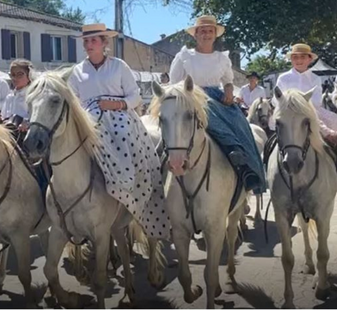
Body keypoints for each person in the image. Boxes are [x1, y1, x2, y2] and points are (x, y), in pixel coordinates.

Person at [68, 23, 168, 239]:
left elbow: (135, 97)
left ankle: (129, 186)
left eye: (94, 40)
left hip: (119, 116)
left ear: (105, 43)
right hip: (89, 118)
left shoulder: (119, 66)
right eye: (86, 41)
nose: (89, 44)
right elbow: (73, 100)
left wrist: (116, 104)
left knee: (124, 139)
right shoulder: (77, 71)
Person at [170, 15, 266, 195]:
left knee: (241, 123)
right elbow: (174, 83)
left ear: (215, 35)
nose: (206, 34)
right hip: (190, 97)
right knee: (169, 126)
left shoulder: (222, 58)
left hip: (216, 96)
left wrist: (229, 91)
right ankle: (160, 165)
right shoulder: (184, 56)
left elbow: (228, 80)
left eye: (210, 31)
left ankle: (246, 167)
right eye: (202, 31)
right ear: (195, 34)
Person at [271, 43, 337, 172]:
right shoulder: (283, 78)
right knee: (276, 129)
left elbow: (317, 100)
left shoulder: (315, 78)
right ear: (291, 59)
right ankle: (267, 161)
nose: (299, 60)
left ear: (309, 59)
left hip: (311, 111)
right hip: (288, 113)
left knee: (334, 119)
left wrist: (301, 105)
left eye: (302, 57)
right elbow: (276, 100)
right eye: (295, 57)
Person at [1, 59, 33, 136]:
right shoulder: (10, 97)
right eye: (12, 75)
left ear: (29, 75)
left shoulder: (33, 96)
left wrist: (27, 123)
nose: (15, 78)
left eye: (20, 74)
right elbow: (4, 115)